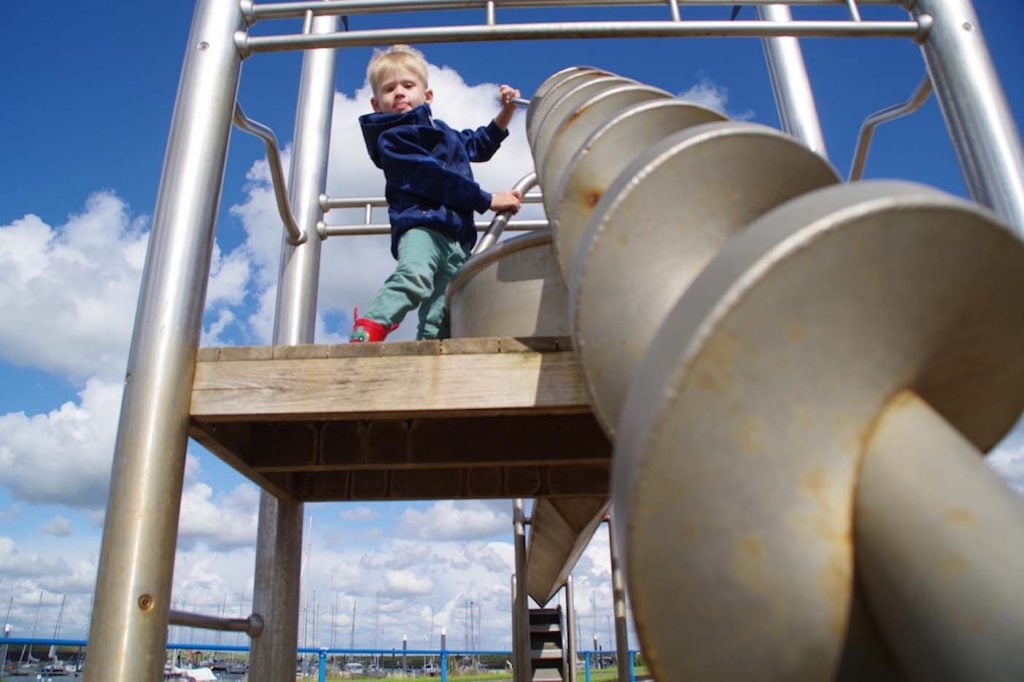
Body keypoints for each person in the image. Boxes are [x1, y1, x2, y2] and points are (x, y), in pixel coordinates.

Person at [351, 44, 523, 342]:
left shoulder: (444, 134)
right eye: (389, 89)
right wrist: (487, 199)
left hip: (457, 237)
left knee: (445, 302)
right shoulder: (393, 139)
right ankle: (371, 326)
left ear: (427, 96)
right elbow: (431, 176)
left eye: (408, 85)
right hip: (422, 226)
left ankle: (432, 349)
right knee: (415, 275)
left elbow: (478, 144)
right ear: (376, 104)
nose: (400, 93)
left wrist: (506, 112)